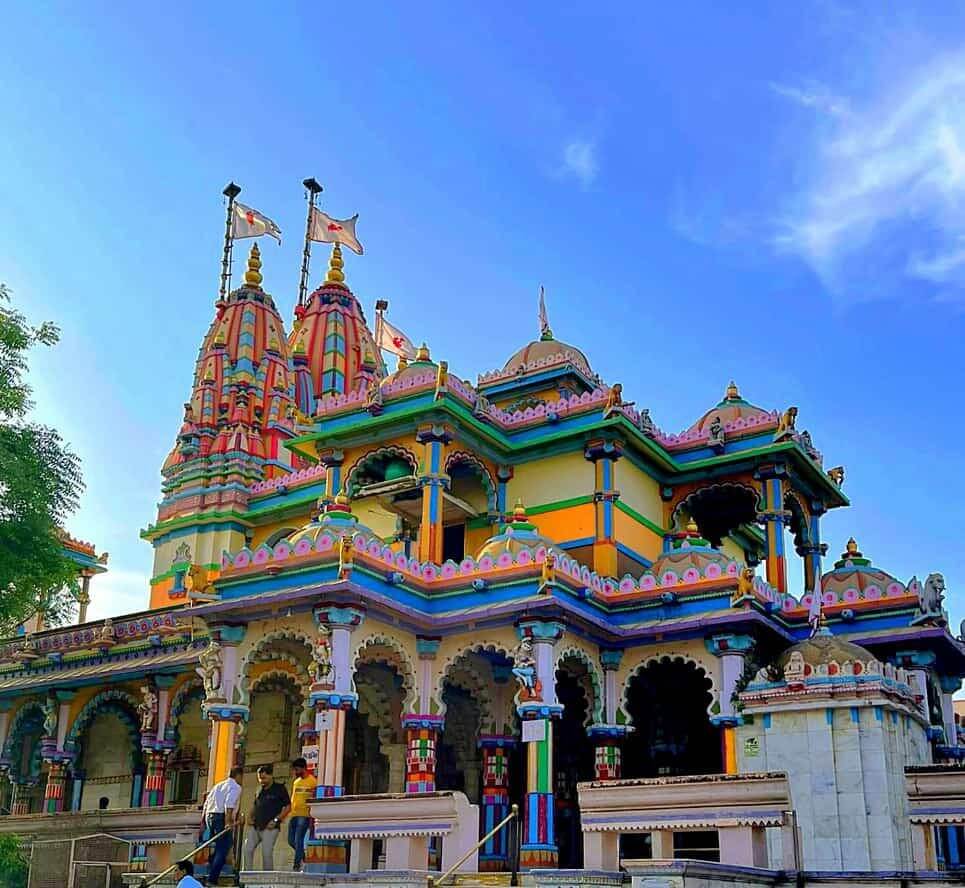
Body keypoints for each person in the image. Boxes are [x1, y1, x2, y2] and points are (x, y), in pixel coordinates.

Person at [244, 764, 291, 871]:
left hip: (270, 827)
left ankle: (267, 877)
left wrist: (276, 820)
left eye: (264, 778)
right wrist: (249, 816)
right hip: (256, 826)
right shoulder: (259, 789)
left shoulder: (279, 789)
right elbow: (255, 805)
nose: (261, 781)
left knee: (266, 853)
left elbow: (288, 807)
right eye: (260, 778)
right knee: (247, 849)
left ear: (271, 776)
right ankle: (246, 875)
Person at [201, 765, 243, 885]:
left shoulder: (218, 786)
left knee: (221, 845)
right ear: (238, 775)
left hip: (210, 816)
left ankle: (212, 863)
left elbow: (206, 803)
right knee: (224, 847)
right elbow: (229, 804)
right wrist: (228, 822)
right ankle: (212, 879)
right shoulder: (235, 787)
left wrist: (203, 821)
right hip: (221, 817)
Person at [288, 757, 317, 872]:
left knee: (298, 839)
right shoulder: (296, 782)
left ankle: (296, 865)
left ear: (304, 768)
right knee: (291, 840)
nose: (295, 772)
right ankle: (304, 858)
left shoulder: (312, 781)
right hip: (294, 814)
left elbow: (314, 798)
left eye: (297, 769)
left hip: (304, 815)